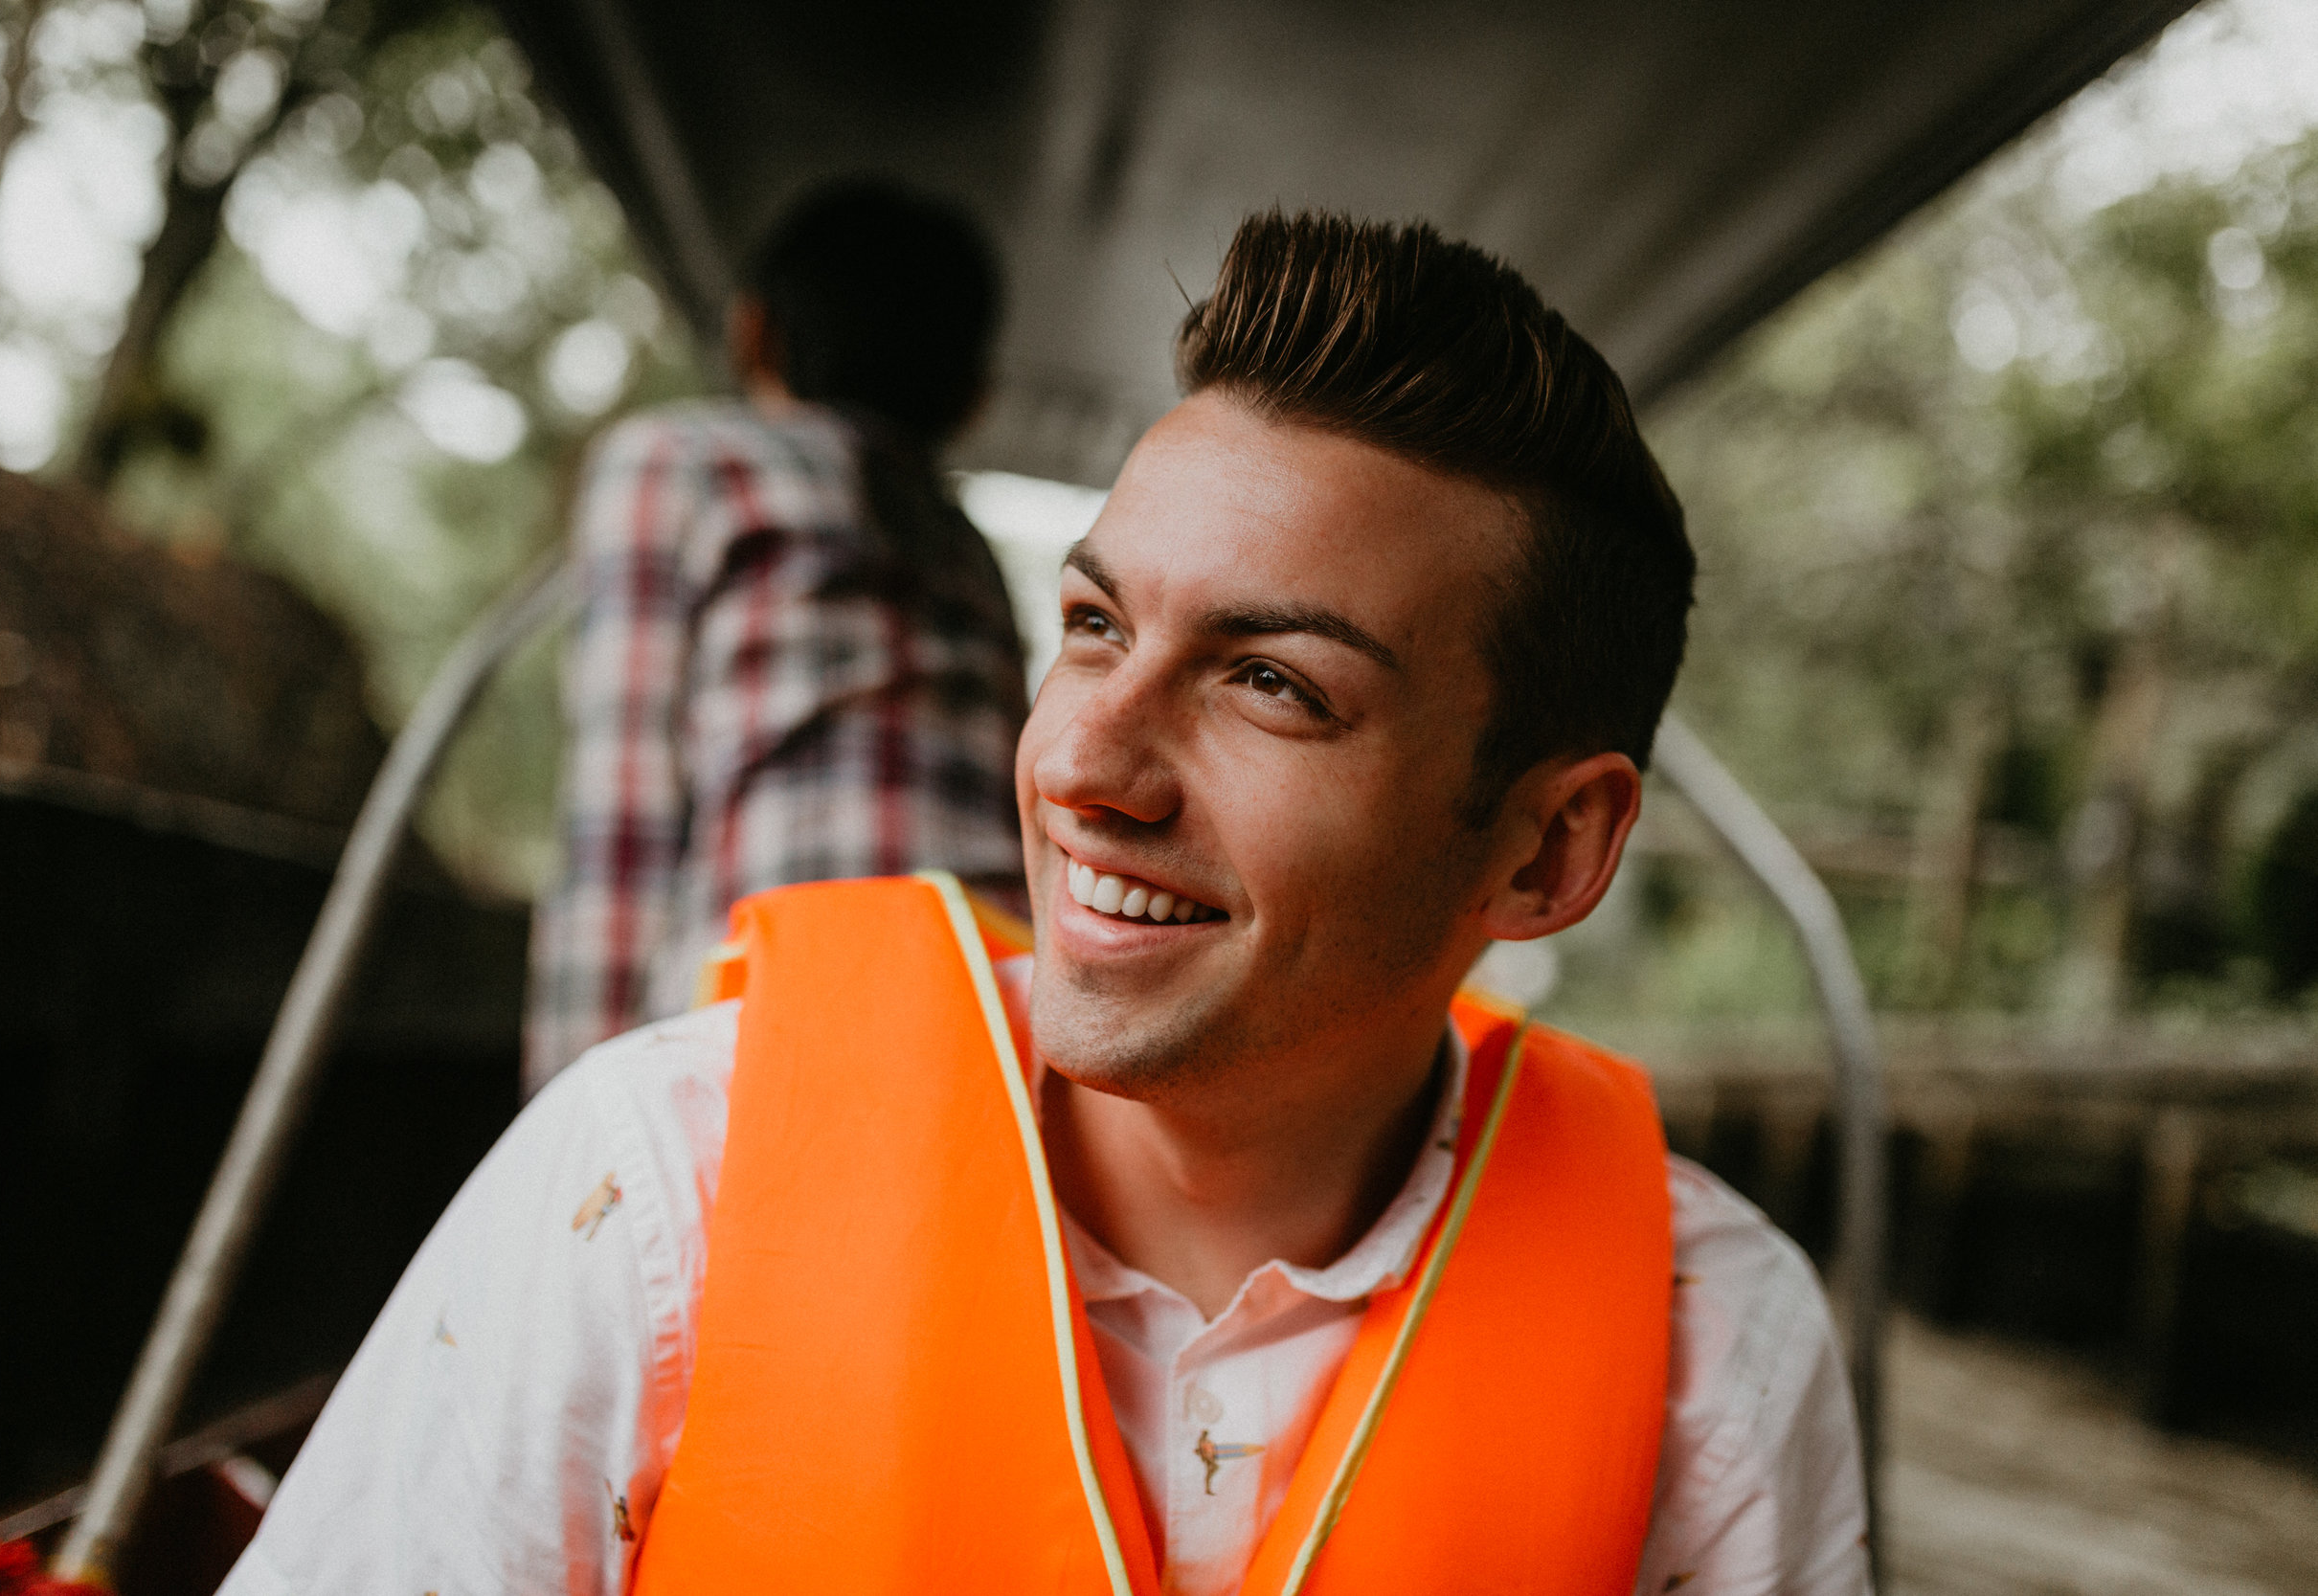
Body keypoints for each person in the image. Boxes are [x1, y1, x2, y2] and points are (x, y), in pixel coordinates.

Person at [225, 211, 1870, 1595]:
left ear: (1546, 855)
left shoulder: (1716, 1348)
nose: (1085, 761)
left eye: (1273, 686)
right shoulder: (650, 1195)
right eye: (1091, 625)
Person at [525, 178, 1031, 1094]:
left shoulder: (679, 463)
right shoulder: (973, 557)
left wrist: (564, 1124)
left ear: (751, 332)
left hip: (771, 1011)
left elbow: (622, 819)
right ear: (973, 401)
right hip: (1000, 1013)